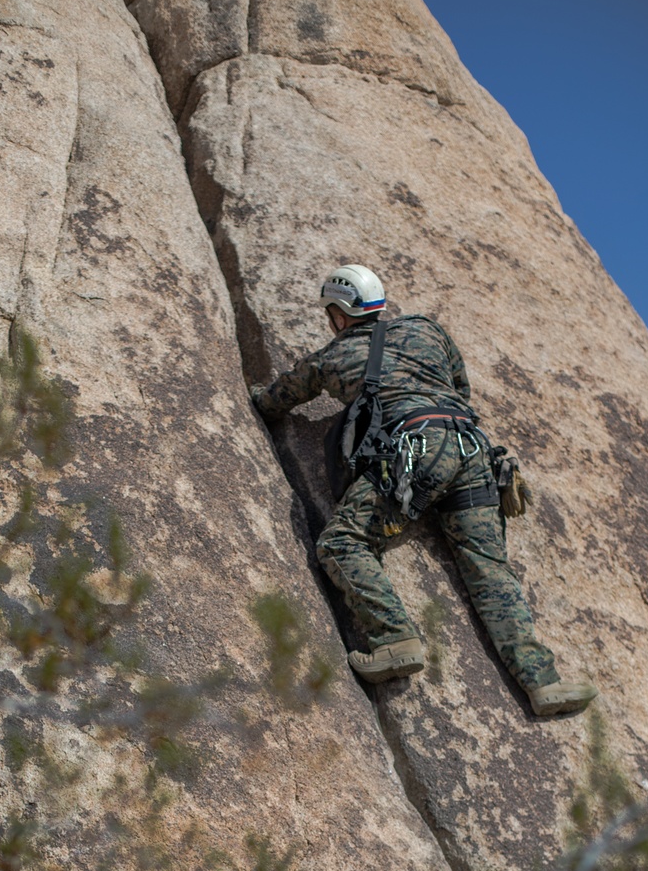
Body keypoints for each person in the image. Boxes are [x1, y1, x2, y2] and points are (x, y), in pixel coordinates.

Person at [249, 264, 597, 718]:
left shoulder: (329, 359)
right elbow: (461, 387)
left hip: (416, 450)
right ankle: (543, 682)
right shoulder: (426, 330)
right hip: (472, 447)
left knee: (342, 542)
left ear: (338, 313)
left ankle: (394, 638)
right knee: (489, 569)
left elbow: (275, 400)